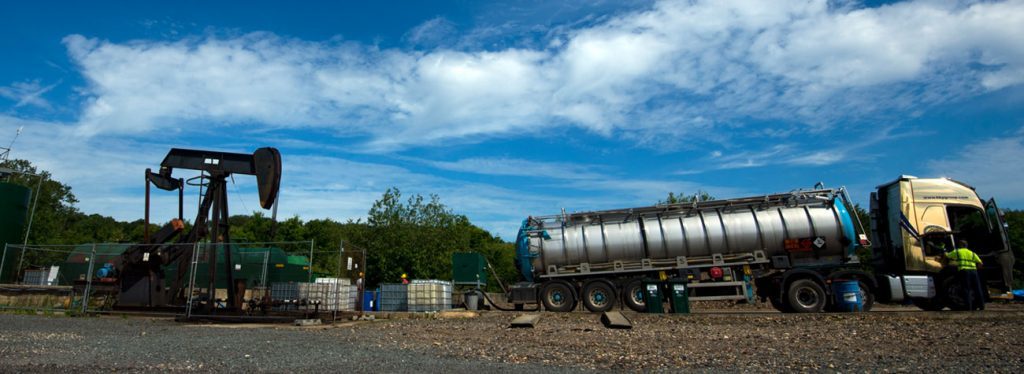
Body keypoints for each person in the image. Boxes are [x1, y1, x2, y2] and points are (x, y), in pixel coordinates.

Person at [945, 240, 985, 311]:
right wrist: (976, 269)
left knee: (966, 289)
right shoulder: (972, 253)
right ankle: (982, 306)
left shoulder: (958, 251)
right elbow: (980, 263)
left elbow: (948, 255)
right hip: (974, 272)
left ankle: (968, 307)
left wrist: (944, 252)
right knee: (977, 289)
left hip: (964, 271)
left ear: (960, 245)